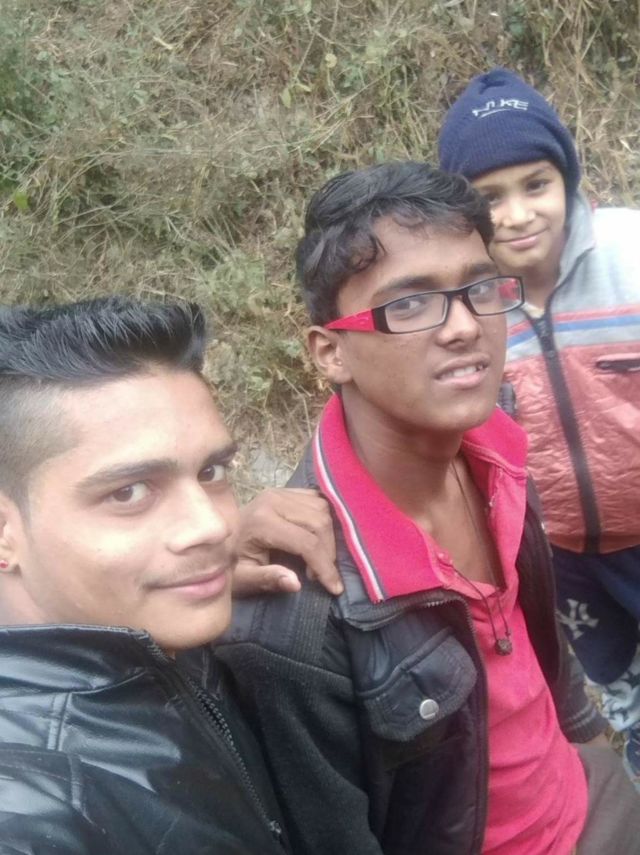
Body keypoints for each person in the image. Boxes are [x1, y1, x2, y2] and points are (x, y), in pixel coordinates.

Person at [217, 161, 640, 855]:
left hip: (593, 800)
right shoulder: (300, 608)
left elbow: (534, 637)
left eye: (480, 288)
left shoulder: (502, 451)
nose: (465, 326)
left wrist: (590, 748)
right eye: (410, 305)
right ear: (330, 352)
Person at [0, 297, 303, 853]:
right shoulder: (27, 813)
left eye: (211, 472)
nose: (212, 526)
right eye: (129, 493)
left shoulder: (149, 631)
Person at [438, 67, 640, 785]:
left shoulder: (630, 254)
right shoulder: (460, 306)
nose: (519, 214)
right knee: (616, 675)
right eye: (490, 197)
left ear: (568, 179)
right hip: (560, 551)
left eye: (535, 185)